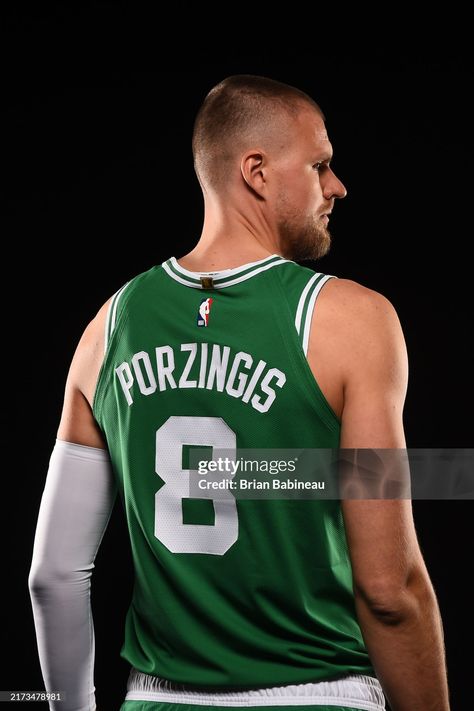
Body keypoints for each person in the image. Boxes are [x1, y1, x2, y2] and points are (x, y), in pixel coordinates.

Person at [28, 75, 450, 711]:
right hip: (318, 696)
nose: (336, 186)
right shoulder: (351, 322)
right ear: (256, 171)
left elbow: (53, 576)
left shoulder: (107, 326)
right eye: (320, 165)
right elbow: (391, 592)